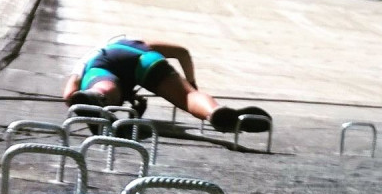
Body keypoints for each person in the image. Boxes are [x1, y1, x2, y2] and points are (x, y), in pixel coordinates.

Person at [62, 37, 271, 133]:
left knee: (104, 88)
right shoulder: (135, 41)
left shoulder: (90, 57)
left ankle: (96, 97)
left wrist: (77, 98)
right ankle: (213, 112)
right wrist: (191, 84)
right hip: (142, 56)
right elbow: (182, 52)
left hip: (102, 66)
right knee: (188, 96)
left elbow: (70, 94)